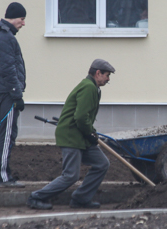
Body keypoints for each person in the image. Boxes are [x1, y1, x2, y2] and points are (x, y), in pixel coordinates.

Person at [27, 59, 115, 210]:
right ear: (98, 73)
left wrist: (90, 133)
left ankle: (81, 199)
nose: (108, 79)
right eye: (107, 75)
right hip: (71, 136)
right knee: (70, 175)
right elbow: (80, 117)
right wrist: (89, 133)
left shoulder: (92, 87)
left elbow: (83, 116)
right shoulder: (88, 87)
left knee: (102, 163)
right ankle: (36, 197)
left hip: (81, 135)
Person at [0, 2, 28, 188]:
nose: (23, 23)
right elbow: (8, 69)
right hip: (8, 94)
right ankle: (2, 176)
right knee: (7, 134)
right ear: (13, 17)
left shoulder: (0, 35)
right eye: (22, 19)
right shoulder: (4, 38)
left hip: (3, 92)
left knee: (1, 132)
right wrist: (17, 95)